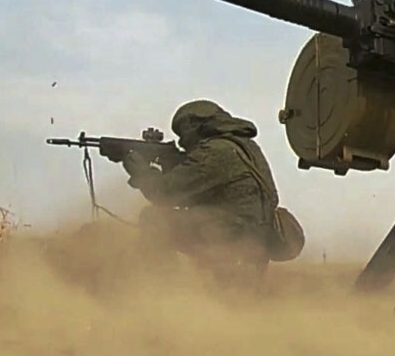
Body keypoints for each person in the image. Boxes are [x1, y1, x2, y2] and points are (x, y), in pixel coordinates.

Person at [121, 99, 305, 276]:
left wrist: (141, 171)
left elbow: (164, 193)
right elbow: (209, 190)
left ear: (195, 125)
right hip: (251, 242)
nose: (182, 141)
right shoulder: (245, 146)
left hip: (230, 239)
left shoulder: (216, 152)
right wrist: (173, 163)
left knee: (154, 219)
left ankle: (162, 283)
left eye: (183, 132)